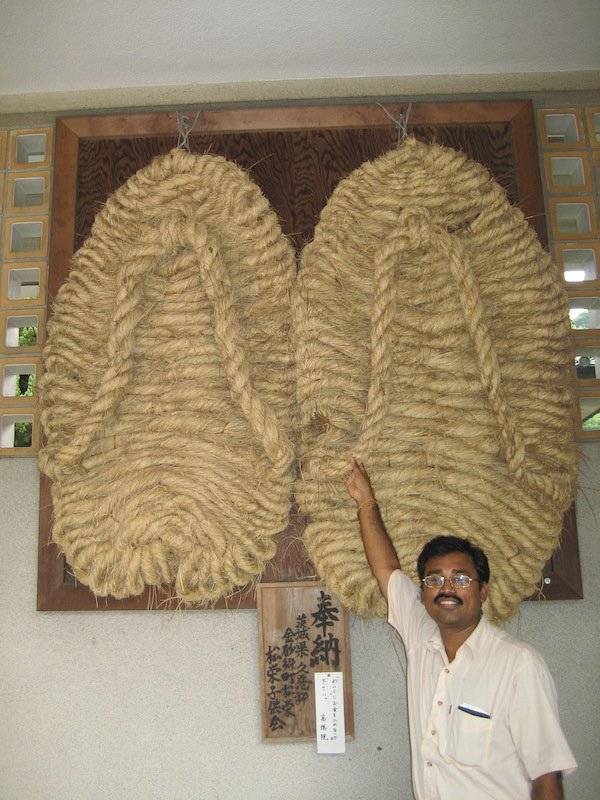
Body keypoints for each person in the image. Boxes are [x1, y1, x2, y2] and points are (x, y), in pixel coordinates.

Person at [344, 457, 577, 800]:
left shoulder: (517, 664)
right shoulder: (420, 637)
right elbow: (386, 568)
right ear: (422, 593)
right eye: (435, 579)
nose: (447, 588)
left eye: (461, 578)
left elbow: (546, 777)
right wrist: (366, 501)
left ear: (482, 591)